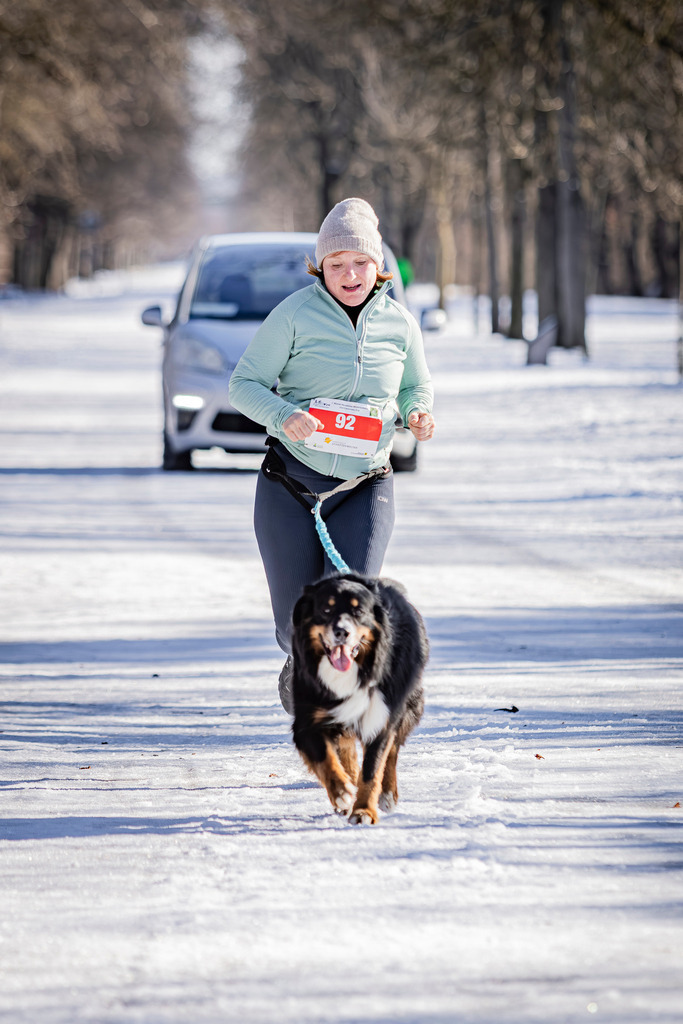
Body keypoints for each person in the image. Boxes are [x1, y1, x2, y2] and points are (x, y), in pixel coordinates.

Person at [229, 197, 435, 711]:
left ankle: (343, 707)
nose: (349, 274)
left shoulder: (400, 324)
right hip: (290, 486)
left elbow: (416, 385)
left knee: (352, 608)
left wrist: (417, 413)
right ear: (320, 267)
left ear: (378, 265)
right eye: (337, 264)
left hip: (365, 484)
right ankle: (300, 659)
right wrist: (282, 415)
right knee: (295, 620)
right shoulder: (295, 314)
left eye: (360, 263)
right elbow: (243, 384)